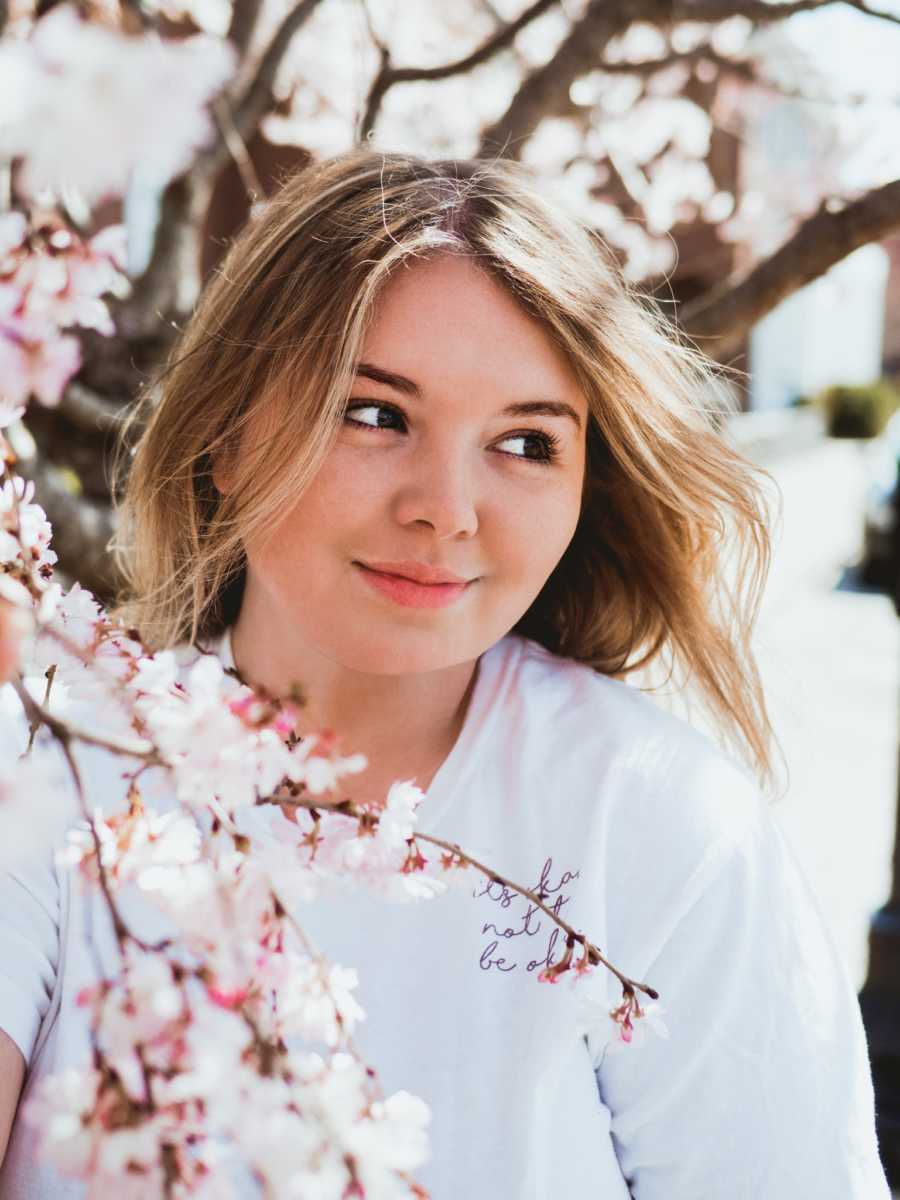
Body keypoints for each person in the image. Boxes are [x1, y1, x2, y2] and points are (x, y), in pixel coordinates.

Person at [0, 149, 890, 1198]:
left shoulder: (660, 830)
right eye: (376, 414)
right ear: (229, 437)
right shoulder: (56, 768)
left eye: (524, 443)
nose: (447, 508)